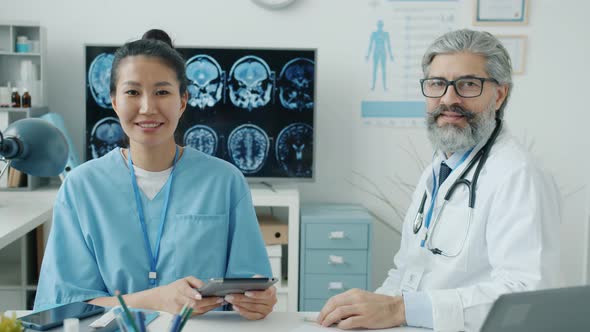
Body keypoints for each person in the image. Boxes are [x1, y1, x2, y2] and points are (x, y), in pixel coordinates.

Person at [317, 29, 561, 331]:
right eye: (437, 84)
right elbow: (406, 272)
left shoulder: (518, 175)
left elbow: (526, 294)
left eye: (468, 84)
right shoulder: (439, 169)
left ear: (499, 95)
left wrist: (400, 309)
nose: (448, 99)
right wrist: (364, 314)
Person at [34, 29, 277, 320]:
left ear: (183, 101)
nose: (148, 108)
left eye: (162, 92)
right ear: (114, 101)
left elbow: (249, 285)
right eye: (132, 92)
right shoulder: (81, 187)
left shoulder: (225, 182)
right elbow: (62, 308)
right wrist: (156, 299)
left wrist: (258, 302)